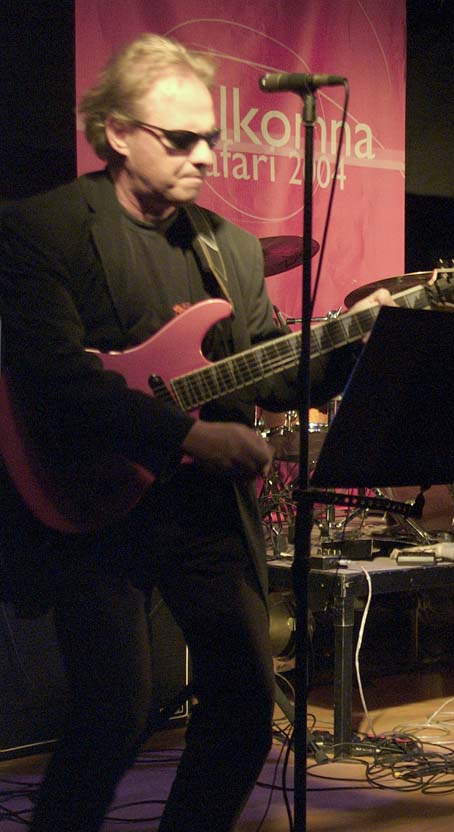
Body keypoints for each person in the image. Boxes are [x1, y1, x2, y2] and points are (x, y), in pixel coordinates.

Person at [0, 34, 390, 831]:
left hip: (201, 509)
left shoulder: (228, 247)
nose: (206, 156)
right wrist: (189, 434)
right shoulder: (43, 228)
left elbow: (271, 376)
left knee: (246, 703)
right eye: (181, 139)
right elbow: (52, 377)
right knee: (113, 711)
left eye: (211, 137)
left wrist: (353, 341)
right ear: (117, 132)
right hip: (87, 497)